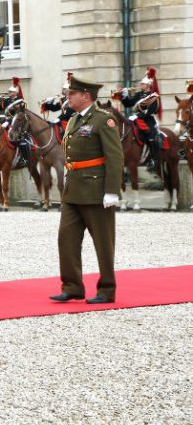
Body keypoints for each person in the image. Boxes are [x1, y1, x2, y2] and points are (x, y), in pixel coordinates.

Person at [50, 75, 124, 304]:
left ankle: (107, 289)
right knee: (67, 239)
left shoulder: (104, 120)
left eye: (72, 93)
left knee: (103, 242)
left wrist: (112, 190)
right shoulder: (73, 120)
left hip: (95, 190)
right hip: (73, 190)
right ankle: (72, 286)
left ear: (85, 95)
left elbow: (115, 156)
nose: (67, 96)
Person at [114, 67, 161, 170]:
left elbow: (152, 110)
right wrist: (124, 96)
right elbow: (129, 104)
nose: (140, 85)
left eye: (142, 84)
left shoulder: (154, 96)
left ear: (148, 85)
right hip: (136, 119)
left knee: (151, 136)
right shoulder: (139, 94)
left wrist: (137, 115)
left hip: (148, 120)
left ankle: (154, 159)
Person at [41, 72, 75, 138]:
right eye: (63, 89)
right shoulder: (63, 99)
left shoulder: (73, 99)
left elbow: (68, 112)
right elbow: (54, 108)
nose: (62, 90)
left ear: (69, 90)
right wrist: (49, 104)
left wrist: (58, 119)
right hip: (63, 120)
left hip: (72, 121)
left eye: (64, 89)